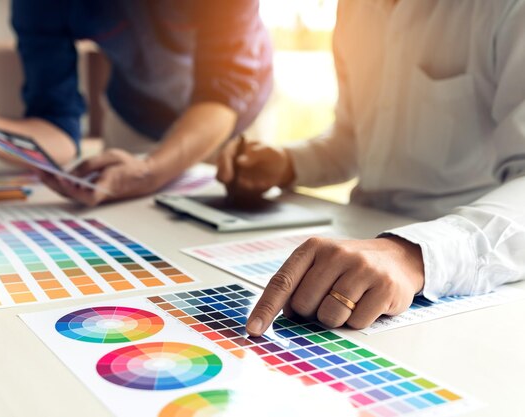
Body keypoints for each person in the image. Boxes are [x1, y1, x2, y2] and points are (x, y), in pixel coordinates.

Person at [216, 0, 525, 335]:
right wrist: (288, 164)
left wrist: (412, 255)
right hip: (359, 244)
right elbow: (353, 139)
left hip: (467, 281)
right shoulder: (353, 8)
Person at [0, 0, 272, 205]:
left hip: (229, 117)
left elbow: (221, 93)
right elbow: (57, 127)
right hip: (135, 114)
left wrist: (152, 170)